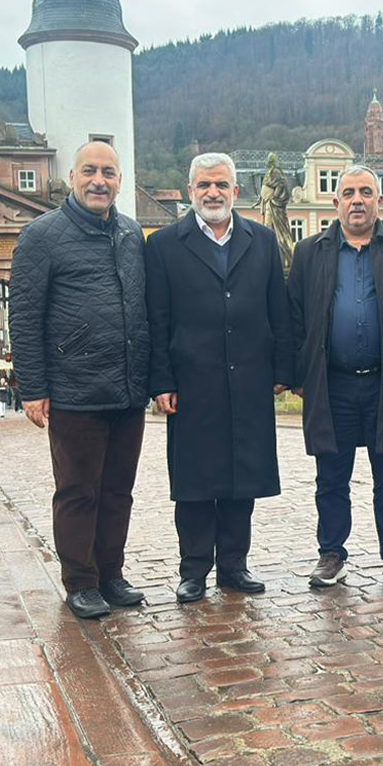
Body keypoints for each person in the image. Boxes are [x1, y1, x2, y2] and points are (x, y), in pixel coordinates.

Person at [9, 140, 150, 619]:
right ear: (71, 177)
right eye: (90, 171)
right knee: (77, 490)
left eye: (108, 173)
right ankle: (80, 581)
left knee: (118, 490)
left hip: (127, 388)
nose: (99, 181)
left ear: (120, 181)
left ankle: (111, 572)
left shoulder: (131, 233)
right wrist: (33, 387)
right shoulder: (41, 235)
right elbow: (25, 316)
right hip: (75, 388)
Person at [145, 153, 295, 604]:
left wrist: (282, 368)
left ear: (236, 191)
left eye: (221, 185)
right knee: (194, 481)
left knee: (240, 477)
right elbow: (157, 319)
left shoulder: (262, 241)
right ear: (191, 191)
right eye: (204, 185)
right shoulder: (165, 245)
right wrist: (161, 380)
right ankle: (193, 570)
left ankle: (234, 565)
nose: (213, 192)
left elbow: (279, 311)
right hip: (192, 382)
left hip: (249, 376)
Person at [288, 165, 383, 588]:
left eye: (366, 192)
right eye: (348, 192)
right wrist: (299, 374)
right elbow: (294, 317)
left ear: (379, 200)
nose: (357, 200)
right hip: (333, 383)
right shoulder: (310, 251)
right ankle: (331, 552)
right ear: (336, 202)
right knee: (331, 476)